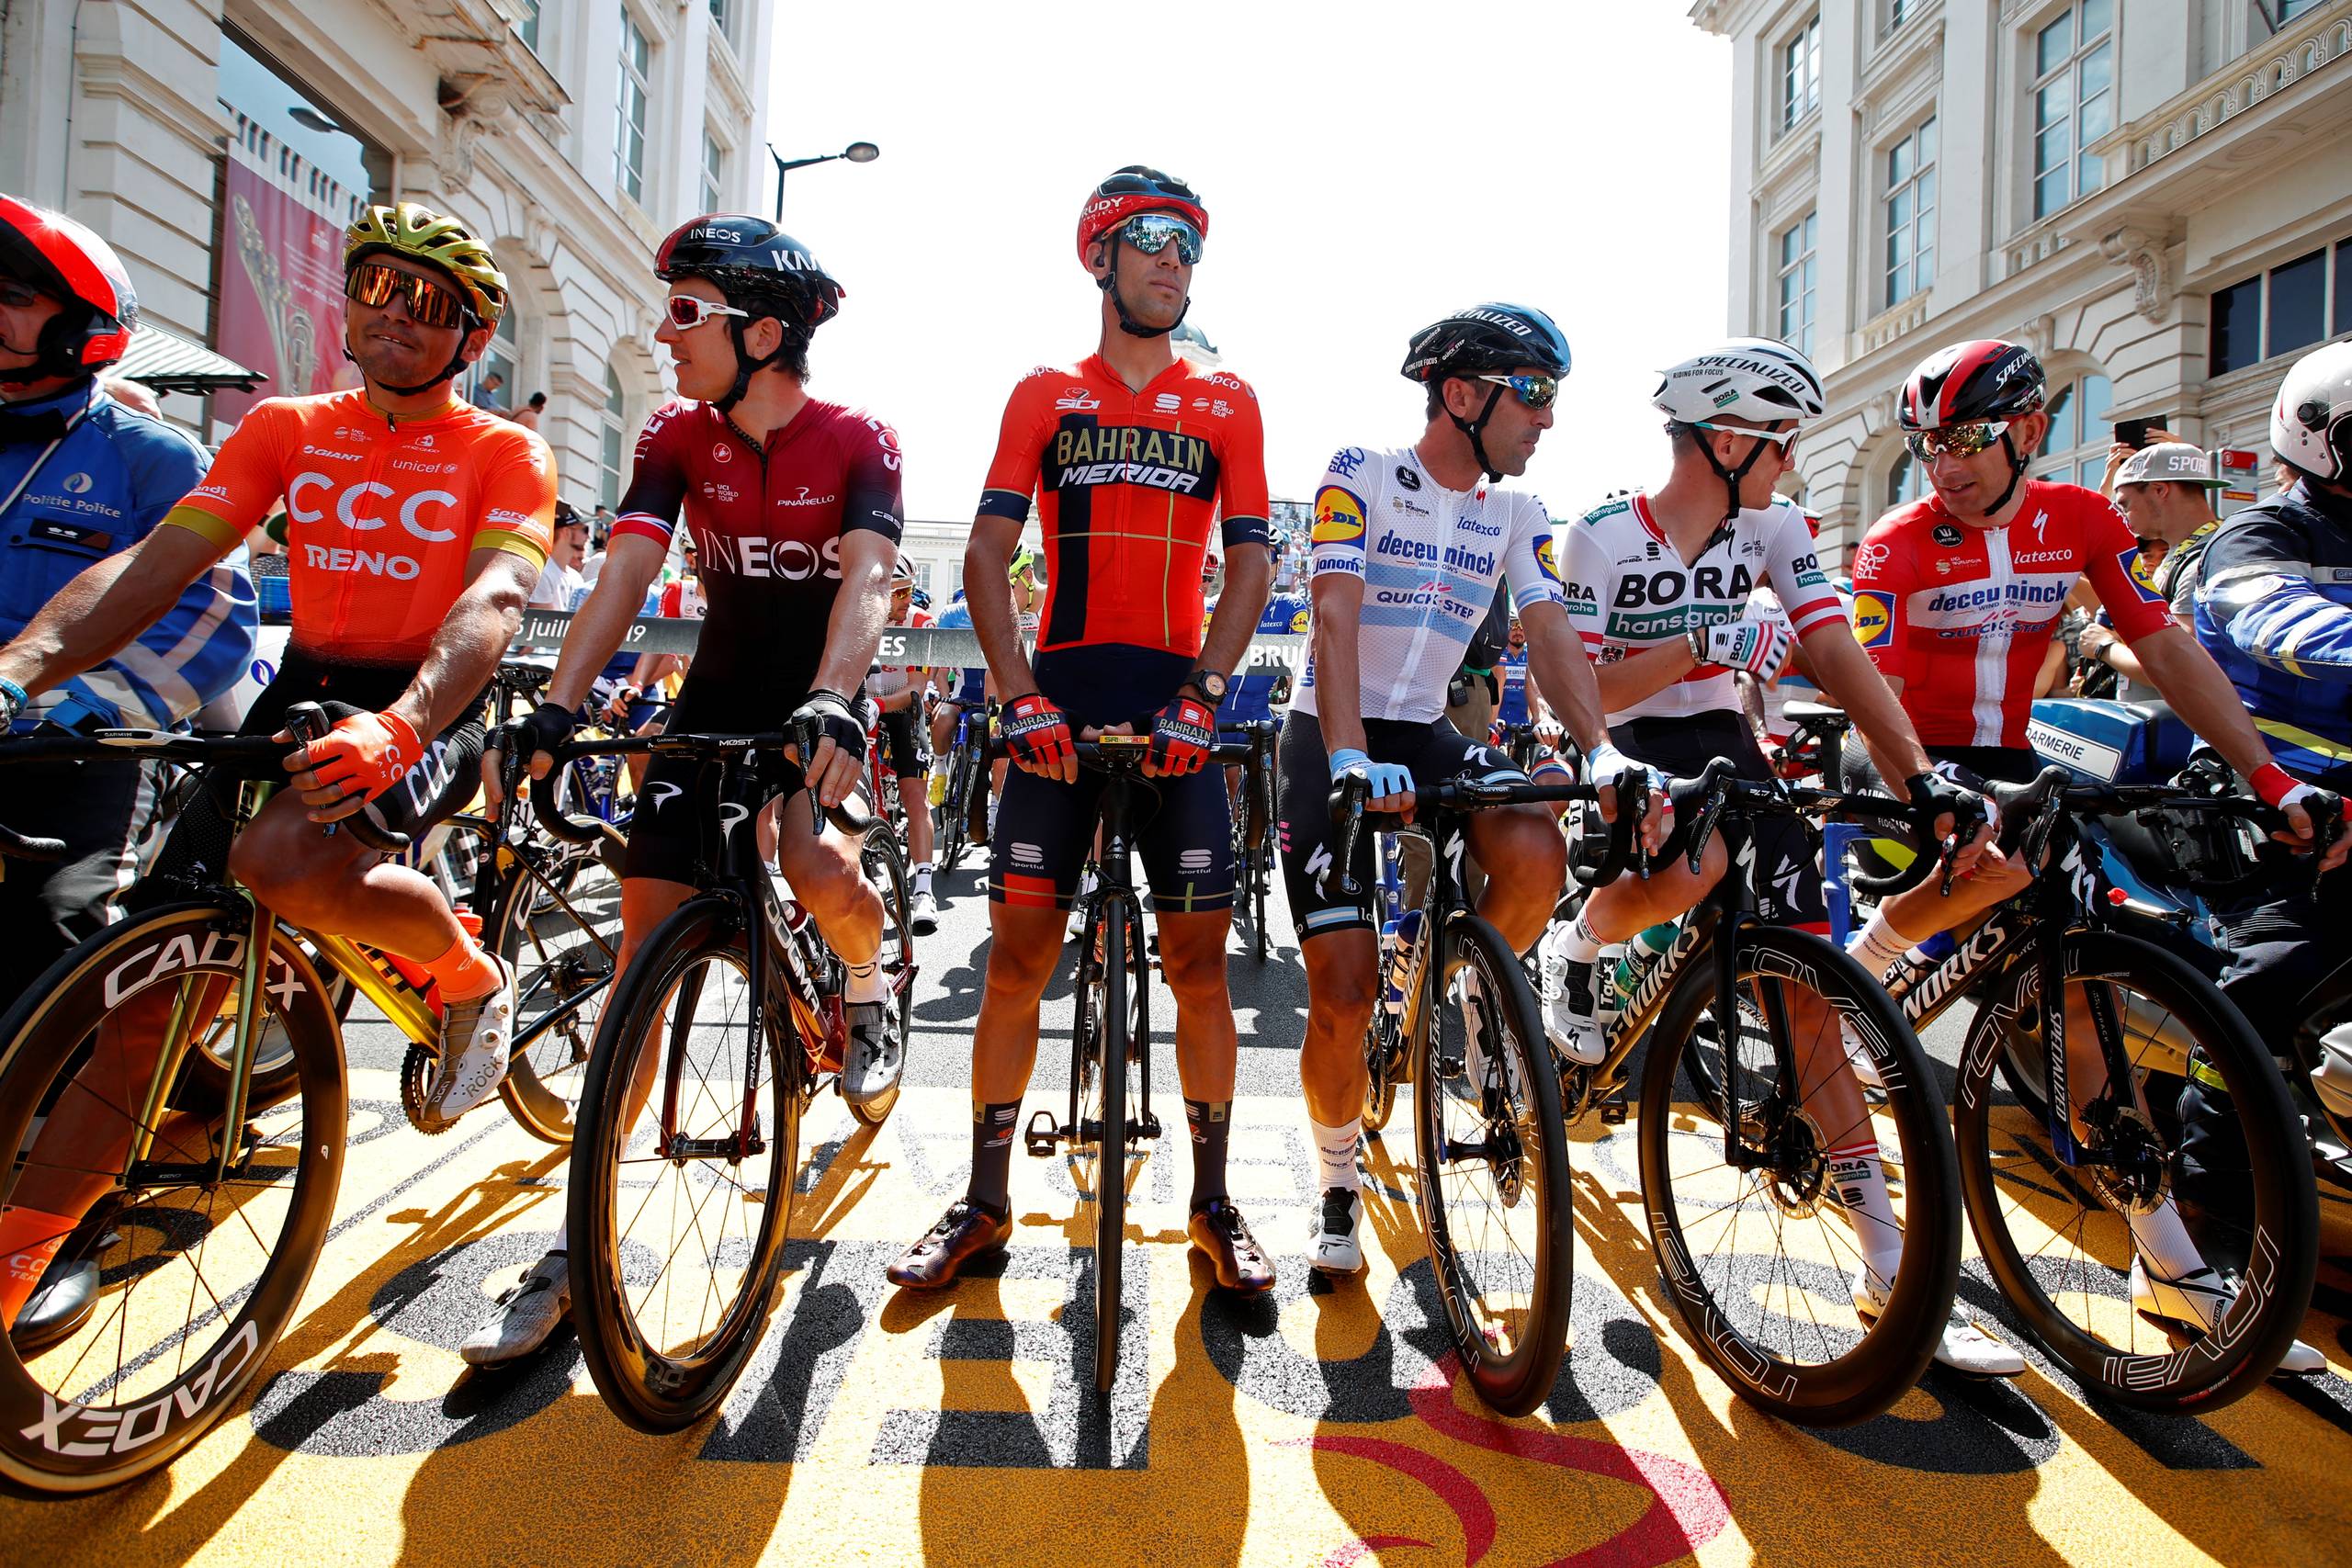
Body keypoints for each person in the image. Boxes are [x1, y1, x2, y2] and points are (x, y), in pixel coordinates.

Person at [0, 199, 553, 1333]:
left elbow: (495, 598)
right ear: (345, 304)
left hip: (424, 692)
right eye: (377, 291)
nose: (397, 319)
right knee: (141, 1004)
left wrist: (402, 724)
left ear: (471, 337)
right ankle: (17, 1262)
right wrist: (25, 664)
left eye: (430, 305)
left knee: (279, 858)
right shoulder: (286, 426)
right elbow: (159, 563)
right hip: (306, 684)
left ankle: (464, 972)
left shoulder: (504, 450)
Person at [467, 212, 904, 1364]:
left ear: (764, 331)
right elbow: (624, 575)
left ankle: (863, 975)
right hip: (712, 693)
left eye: (687, 313)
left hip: (814, 688)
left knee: (813, 864)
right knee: (638, 966)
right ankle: (576, 1246)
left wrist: (839, 696)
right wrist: (562, 709)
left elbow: (867, 579)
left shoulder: (859, 438)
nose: (666, 334)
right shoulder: (671, 433)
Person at [1852, 337, 2337, 1371]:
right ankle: (1854, 994)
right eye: (1928, 445)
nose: (1945, 465)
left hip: (2012, 767)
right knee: (1903, 957)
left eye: (1970, 440)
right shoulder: (1895, 544)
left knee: (2083, 1002)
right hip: (1908, 765)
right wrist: (1929, 795)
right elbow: (1874, 696)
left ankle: (2169, 1267)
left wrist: (2273, 780)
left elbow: (2166, 649)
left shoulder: (2077, 522)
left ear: (2030, 432)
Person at [1548, 335, 2026, 1374]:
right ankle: (1579, 947)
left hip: (1722, 739)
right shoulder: (1597, 536)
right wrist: (1708, 643)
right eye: (1779, 442)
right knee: (1692, 872)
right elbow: (1585, 692)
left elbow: (1833, 645)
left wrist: (1918, 779)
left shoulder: (1774, 526)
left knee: (1811, 990)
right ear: (1723, 439)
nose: (1792, 463)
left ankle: (1889, 1268)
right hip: (1628, 743)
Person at [887, 166, 1277, 1294]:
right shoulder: (1044, 393)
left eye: (1190, 246)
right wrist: (1017, 697)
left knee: (1199, 969)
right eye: (1151, 238)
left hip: (1177, 701)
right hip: (1057, 691)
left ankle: (1213, 1202)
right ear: (1097, 255)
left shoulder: (1228, 399)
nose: (1174, 259)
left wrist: (1206, 691)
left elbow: (1250, 560)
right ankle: (981, 1201)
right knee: (1016, 962)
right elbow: (984, 554)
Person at [1280, 301, 1626, 1275]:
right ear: (1461, 395)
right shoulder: (1362, 474)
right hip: (1329, 733)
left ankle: (1469, 980)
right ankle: (1338, 1181)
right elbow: (1335, 616)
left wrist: (1598, 750)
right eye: (1535, 396)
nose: (1547, 420)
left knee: (1532, 844)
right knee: (1341, 998)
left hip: (1428, 732)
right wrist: (1347, 756)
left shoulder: (1517, 512)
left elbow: (1549, 630)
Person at [0, 194, 258, 1051]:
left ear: (82, 327)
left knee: (51, 931)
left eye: (13, 294)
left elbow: (211, 613)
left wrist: (82, 708)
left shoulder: (154, 455)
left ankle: (55, 1160)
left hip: (72, 748)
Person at [2193, 341, 2352, 1145]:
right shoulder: (2261, 535)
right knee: (2278, 968)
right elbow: (2276, 622)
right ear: (2317, 435)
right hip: (2272, 794)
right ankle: (2201, 1189)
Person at [2081, 440, 2229, 701]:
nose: (2123, 515)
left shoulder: (2202, 560)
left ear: (2159, 489)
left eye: (2125, 504)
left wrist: (2104, 647)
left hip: (2174, 730)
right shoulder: (2186, 552)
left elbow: (2177, 665)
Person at [868, 554, 940, 931]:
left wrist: (877, 705)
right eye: (896, 594)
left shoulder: (920, 622)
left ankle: (924, 888)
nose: (903, 602)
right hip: (861, 704)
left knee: (915, 794)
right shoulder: (860, 614)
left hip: (899, 706)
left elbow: (915, 690)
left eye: (909, 592)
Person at [527, 500, 589, 608]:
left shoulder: (576, 577)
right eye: (585, 530)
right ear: (566, 532)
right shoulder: (542, 573)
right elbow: (545, 621)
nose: (588, 537)